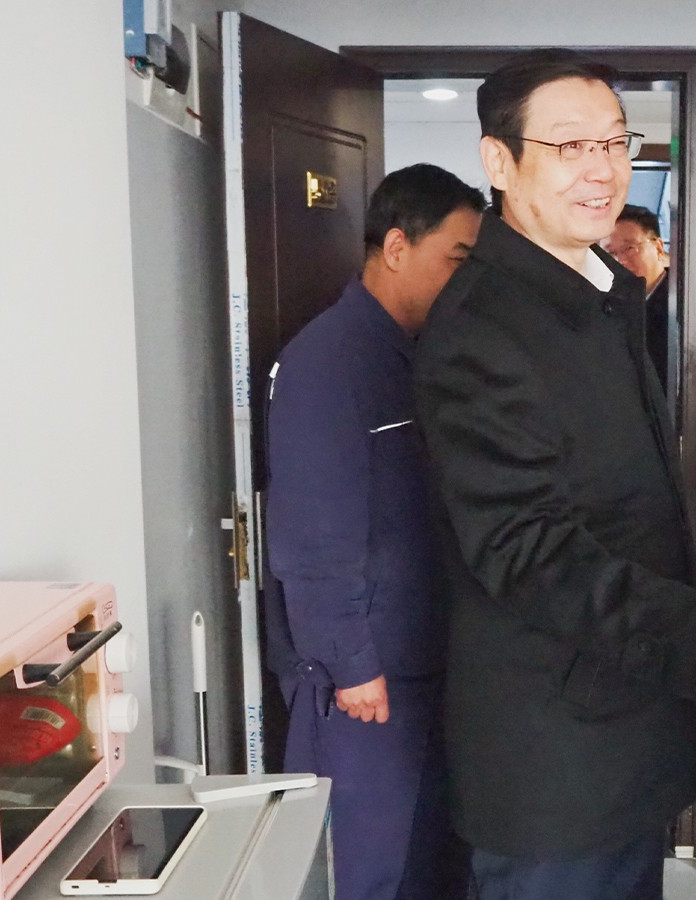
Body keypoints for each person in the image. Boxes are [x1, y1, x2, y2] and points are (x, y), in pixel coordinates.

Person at [411, 49, 696, 900]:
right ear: (500, 161)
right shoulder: (484, 328)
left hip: (621, 726)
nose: (603, 169)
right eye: (570, 145)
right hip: (555, 760)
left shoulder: (597, 288)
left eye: (614, 142)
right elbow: (526, 548)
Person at [264, 164, 484, 900]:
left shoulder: (419, 355)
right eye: (456, 258)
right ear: (396, 248)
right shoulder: (326, 362)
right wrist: (352, 661)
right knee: (365, 869)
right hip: (363, 681)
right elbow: (313, 534)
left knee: (428, 863)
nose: (465, 280)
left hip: (425, 660)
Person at [603, 204, 677, 398]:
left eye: (629, 248)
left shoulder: (681, 305)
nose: (620, 261)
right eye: (610, 253)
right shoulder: (609, 307)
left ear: (658, 248)